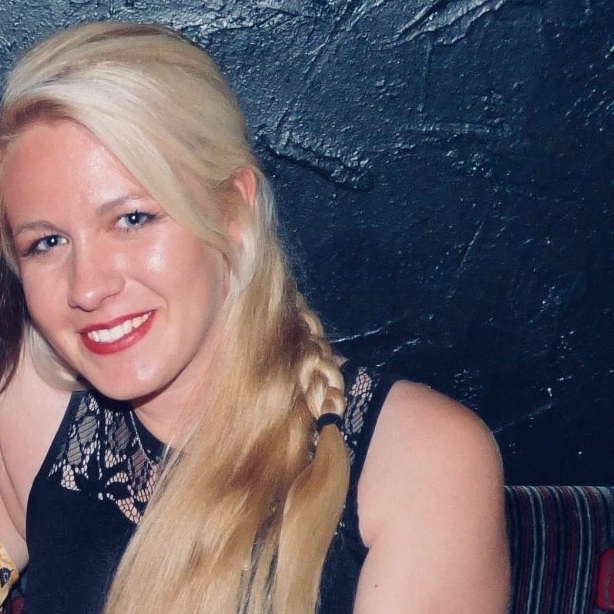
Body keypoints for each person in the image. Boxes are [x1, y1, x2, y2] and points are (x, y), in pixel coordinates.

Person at [0, 21, 509, 614]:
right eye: (47, 243)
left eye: (133, 219)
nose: (88, 288)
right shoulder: (36, 405)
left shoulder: (421, 462)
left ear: (235, 212)